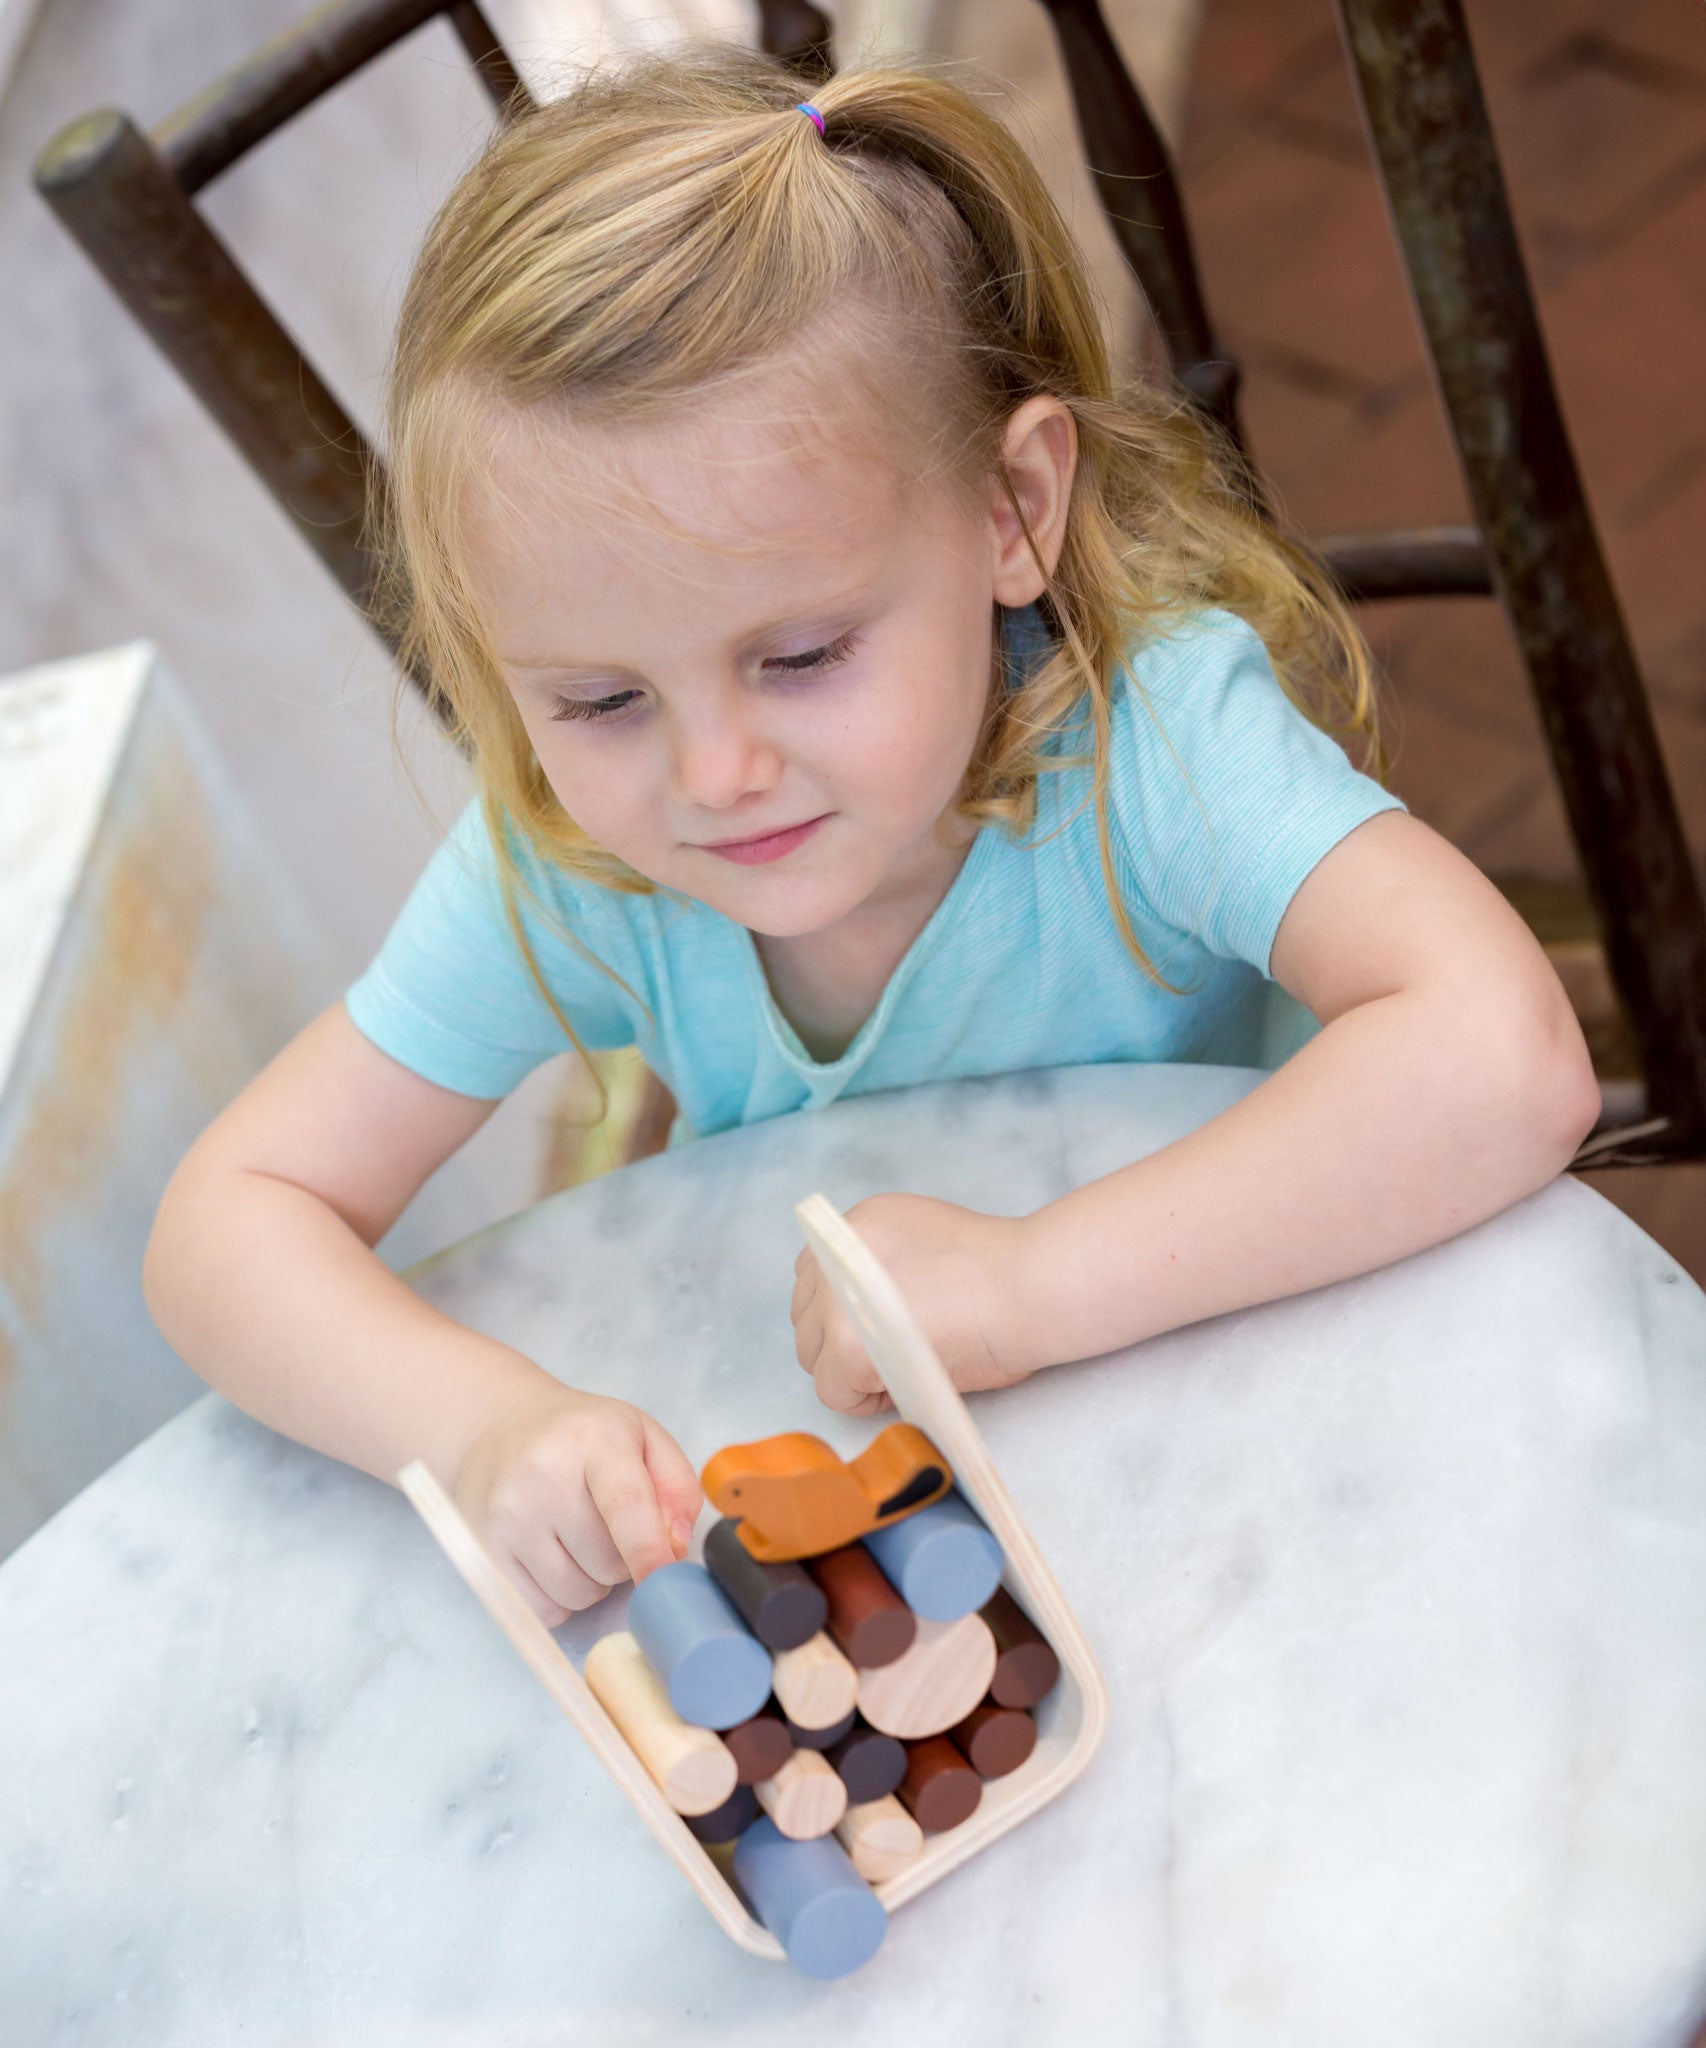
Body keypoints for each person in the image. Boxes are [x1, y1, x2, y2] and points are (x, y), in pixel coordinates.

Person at [143, 45, 1599, 1628]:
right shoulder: (575, 862)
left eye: (801, 655)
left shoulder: (1153, 742)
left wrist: (1031, 1283)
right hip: (892, 1519)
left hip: (1242, 1384)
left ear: (1008, 508)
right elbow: (232, 1220)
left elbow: (1503, 1058)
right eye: (598, 697)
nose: (712, 773)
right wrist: (478, 1426)